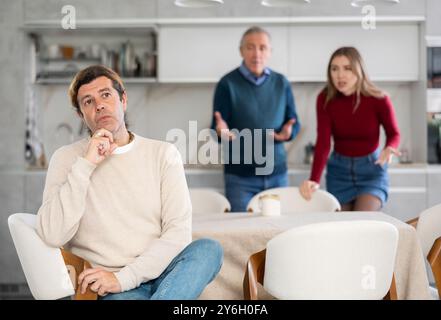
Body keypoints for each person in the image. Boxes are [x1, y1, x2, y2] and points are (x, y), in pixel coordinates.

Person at [36, 65, 223, 300]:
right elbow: (52, 235)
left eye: (106, 95)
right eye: (87, 101)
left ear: (123, 100)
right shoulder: (67, 158)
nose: (99, 105)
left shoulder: (163, 153)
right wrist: (86, 165)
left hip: (164, 274)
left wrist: (124, 279)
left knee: (208, 250)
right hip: (107, 281)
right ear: (81, 115)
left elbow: (178, 233)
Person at [299, 47, 401, 211]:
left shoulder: (379, 99)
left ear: (359, 70)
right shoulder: (325, 99)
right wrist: (314, 180)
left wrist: (390, 147)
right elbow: (324, 143)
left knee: (362, 223)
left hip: (371, 171)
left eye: (347, 68)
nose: (340, 75)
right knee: (342, 229)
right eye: (335, 69)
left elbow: (393, 133)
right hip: (339, 173)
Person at [211, 26, 301, 212]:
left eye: (262, 47)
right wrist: (221, 131)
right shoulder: (227, 84)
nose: (256, 53)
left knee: (277, 231)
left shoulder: (281, 83)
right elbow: (217, 127)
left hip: (277, 174)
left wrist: (289, 132)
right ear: (241, 50)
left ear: (269, 52)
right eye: (250, 47)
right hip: (240, 178)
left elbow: (294, 122)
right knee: (240, 231)